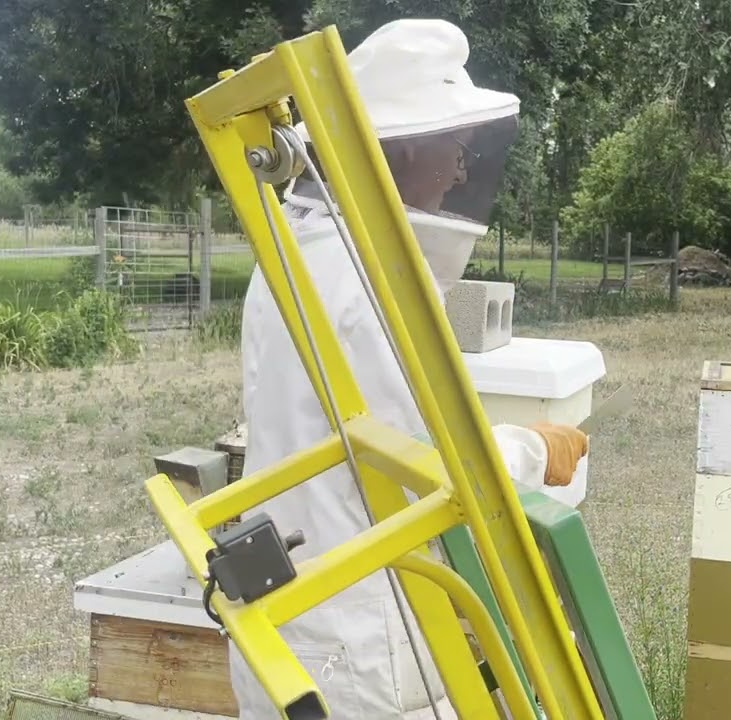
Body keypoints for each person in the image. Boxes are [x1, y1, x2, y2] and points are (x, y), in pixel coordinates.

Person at [233, 18, 590, 720]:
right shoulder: (374, 282)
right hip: (363, 629)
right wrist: (530, 448)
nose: (461, 169)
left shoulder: (293, 252)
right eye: (451, 147)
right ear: (396, 155)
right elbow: (426, 466)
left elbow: (366, 422)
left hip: (295, 599)